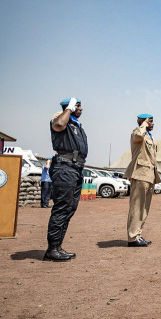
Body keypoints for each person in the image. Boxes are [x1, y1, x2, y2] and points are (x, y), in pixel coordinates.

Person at [44, 97, 87, 261]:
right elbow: (58, 125)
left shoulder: (76, 124)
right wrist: (68, 109)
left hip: (75, 168)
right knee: (61, 208)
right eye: (77, 106)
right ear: (68, 107)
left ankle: (58, 246)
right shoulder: (61, 119)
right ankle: (52, 248)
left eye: (80, 106)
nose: (81, 109)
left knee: (70, 208)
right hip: (64, 167)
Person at [124, 114, 161, 247]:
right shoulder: (137, 133)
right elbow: (138, 136)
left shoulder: (149, 136)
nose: (152, 124)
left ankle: (137, 234)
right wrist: (143, 124)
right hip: (140, 174)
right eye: (150, 121)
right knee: (137, 207)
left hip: (149, 175)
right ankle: (132, 237)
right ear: (142, 121)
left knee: (144, 208)